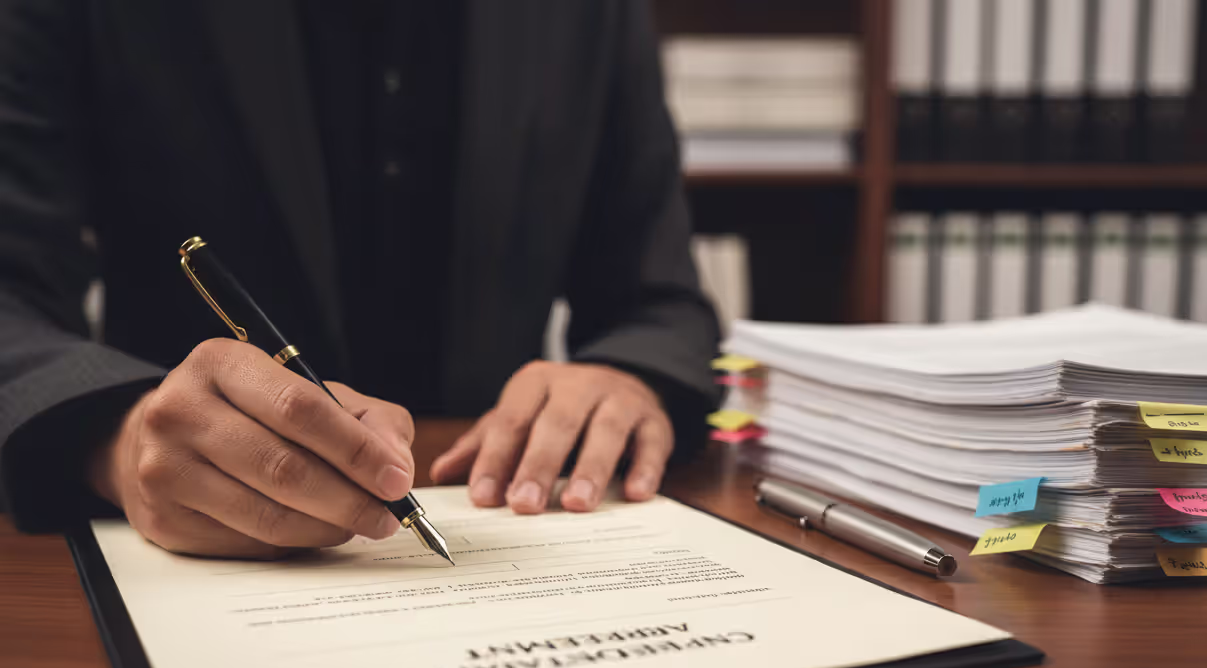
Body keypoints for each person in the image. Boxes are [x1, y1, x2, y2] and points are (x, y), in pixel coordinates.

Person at [0, 0, 719, 558]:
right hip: (185, 537)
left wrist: (628, 377)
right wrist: (113, 435)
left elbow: (661, 302)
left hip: (500, 503)